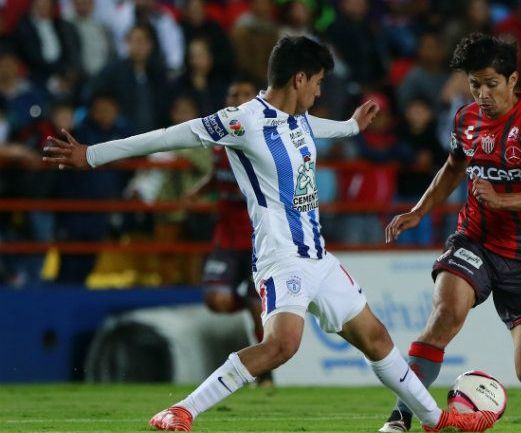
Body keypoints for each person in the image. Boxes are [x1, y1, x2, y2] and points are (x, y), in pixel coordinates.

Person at [43, 35, 497, 433]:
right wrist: (93, 155)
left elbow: (319, 128)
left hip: (318, 257)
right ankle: (180, 410)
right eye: (318, 82)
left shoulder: (298, 119)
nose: (320, 92)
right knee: (281, 345)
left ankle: (437, 422)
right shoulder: (241, 121)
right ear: (299, 78)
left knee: (376, 338)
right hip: (281, 257)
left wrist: (353, 127)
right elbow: (168, 136)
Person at [379, 33, 521, 432]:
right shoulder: (465, 118)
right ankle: (401, 416)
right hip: (475, 239)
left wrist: (501, 200)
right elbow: (452, 168)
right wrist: (418, 210)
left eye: (491, 84)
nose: (482, 93)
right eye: (474, 83)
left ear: (513, 80)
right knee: (446, 312)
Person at [186, 78, 275, 386]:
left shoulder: (265, 139)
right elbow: (221, 172)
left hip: (257, 240)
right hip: (226, 236)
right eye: (233, 93)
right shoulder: (220, 138)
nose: (238, 98)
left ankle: (265, 373)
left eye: (245, 94)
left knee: (257, 312)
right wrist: (202, 188)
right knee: (216, 299)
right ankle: (250, 301)